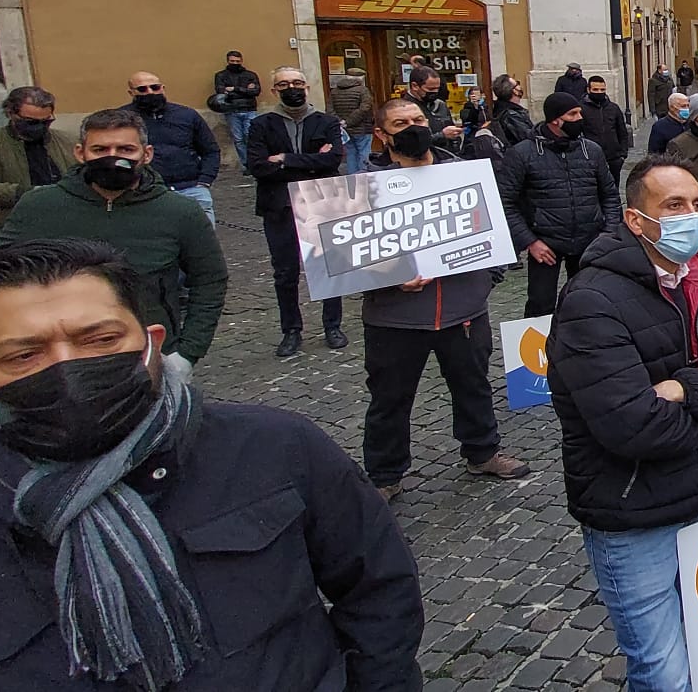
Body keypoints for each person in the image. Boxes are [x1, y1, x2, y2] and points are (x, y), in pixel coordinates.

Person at [0, 239, 425, 691]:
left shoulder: (275, 448)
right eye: (23, 356)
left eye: (101, 339)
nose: (68, 368)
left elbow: (380, 590)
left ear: (151, 344)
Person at [547, 157, 698, 692]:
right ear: (636, 220)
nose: (691, 216)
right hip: (631, 515)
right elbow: (633, 427)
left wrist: (682, 389)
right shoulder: (591, 301)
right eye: (673, 205)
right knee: (664, 672)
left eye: (695, 204)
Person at [358, 99, 530, 499]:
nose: (413, 127)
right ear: (382, 134)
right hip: (395, 318)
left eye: (418, 119)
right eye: (401, 123)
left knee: (473, 385)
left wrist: (487, 280)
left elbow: (495, 235)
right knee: (389, 398)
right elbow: (350, 259)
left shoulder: (464, 175)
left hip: (463, 310)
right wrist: (390, 280)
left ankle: (482, 451)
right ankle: (385, 475)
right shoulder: (363, 188)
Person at [0, 108, 227, 370]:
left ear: (146, 154)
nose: (113, 158)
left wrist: (187, 353)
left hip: (149, 352)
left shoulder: (179, 211)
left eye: (126, 150)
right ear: (80, 153)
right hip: (61, 357)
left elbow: (210, 279)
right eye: (100, 150)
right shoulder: (39, 206)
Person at [248, 68, 347, 358]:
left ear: (306, 86)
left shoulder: (326, 121)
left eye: (297, 83)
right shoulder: (261, 125)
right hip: (278, 205)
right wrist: (311, 162)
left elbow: (333, 159)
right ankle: (291, 330)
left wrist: (285, 159)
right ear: (274, 90)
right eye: (283, 84)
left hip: (322, 201)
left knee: (330, 267)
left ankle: (333, 325)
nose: (291, 88)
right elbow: (258, 167)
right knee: (285, 272)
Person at [498, 93, 619, 319]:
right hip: (545, 244)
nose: (580, 118)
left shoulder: (591, 150)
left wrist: (608, 233)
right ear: (555, 120)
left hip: (589, 241)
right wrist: (530, 242)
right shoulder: (523, 153)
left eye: (580, 112)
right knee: (540, 306)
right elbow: (506, 202)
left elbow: (610, 195)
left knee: (589, 302)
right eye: (573, 114)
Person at [120, 71, 223, 224]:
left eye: (155, 87)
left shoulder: (187, 115)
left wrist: (204, 180)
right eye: (142, 89)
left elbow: (210, 150)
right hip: (145, 192)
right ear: (131, 92)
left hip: (191, 189)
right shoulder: (121, 119)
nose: (150, 92)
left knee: (202, 243)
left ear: (162, 88)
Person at [0, 86, 74, 229]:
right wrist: (24, 192)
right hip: (15, 224)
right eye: (31, 122)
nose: (39, 127)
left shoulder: (69, 141)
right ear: (11, 113)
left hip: (66, 218)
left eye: (46, 122)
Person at [212, 50, 262, 171]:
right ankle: (246, 165)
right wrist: (245, 90)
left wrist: (234, 89)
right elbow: (220, 92)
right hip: (231, 110)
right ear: (228, 61)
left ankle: (255, 162)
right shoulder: (221, 75)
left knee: (251, 137)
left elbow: (256, 92)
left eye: (237, 61)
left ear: (241, 61)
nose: (235, 63)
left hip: (249, 109)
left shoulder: (250, 75)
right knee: (238, 139)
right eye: (232, 61)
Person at [578, 75, 633, 176]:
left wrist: (622, 155)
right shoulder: (581, 109)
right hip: (591, 158)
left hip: (614, 158)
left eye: (602, 89)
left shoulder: (613, 108)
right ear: (588, 90)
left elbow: (622, 132)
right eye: (595, 89)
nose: (599, 92)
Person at [329, 68, 376, 174]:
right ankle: (365, 176)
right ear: (361, 78)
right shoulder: (363, 90)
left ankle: (352, 178)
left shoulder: (334, 91)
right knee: (364, 152)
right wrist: (349, 121)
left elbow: (330, 110)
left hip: (344, 130)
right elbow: (364, 108)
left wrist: (340, 122)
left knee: (350, 153)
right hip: (362, 128)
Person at [485, 74, 535, 151]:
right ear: (514, 91)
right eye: (517, 84)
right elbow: (528, 138)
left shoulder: (502, 109)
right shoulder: (511, 115)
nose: (520, 87)